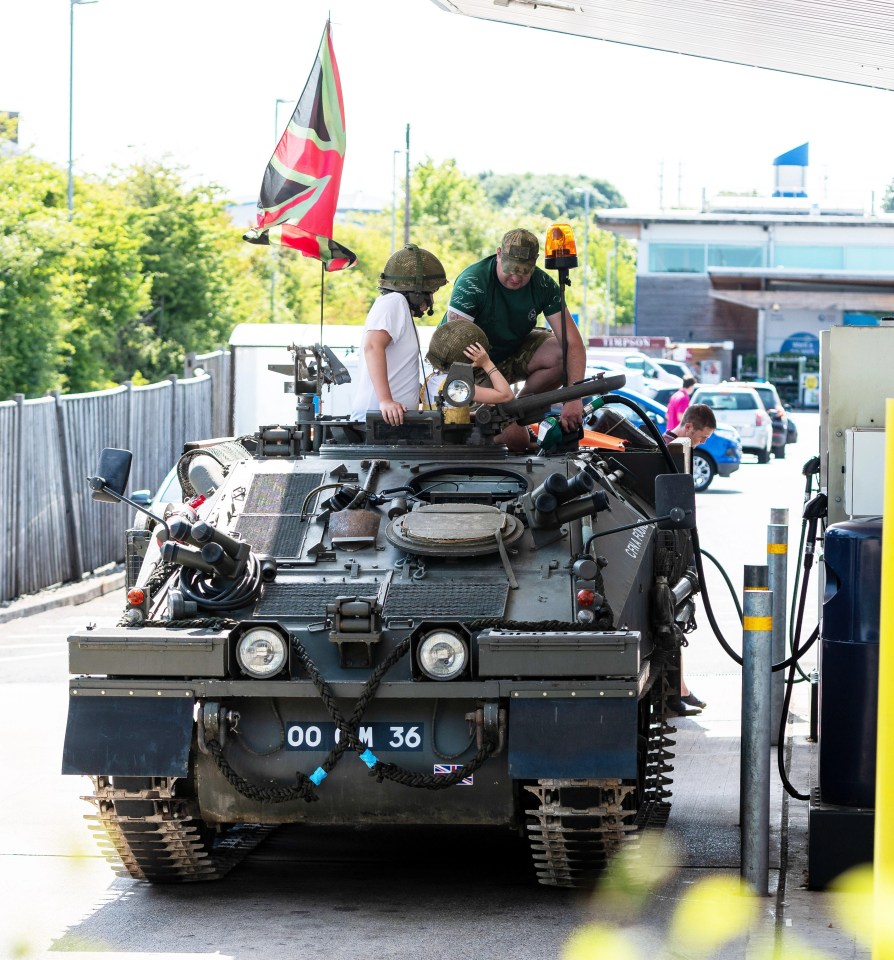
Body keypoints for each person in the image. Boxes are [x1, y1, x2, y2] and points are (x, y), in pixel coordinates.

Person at [442, 228, 586, 450]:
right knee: (517, 442)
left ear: (535, 262)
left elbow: (573, 344)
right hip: (471, 363)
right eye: (510, 269)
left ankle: (517, 409)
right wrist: (462, 393)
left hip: (510, 353)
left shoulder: (544, 285)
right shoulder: (472, 282)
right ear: (499, 254)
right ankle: (503, 418)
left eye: (524, 271)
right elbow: (456, 349)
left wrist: (574, 398)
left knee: (559, 352)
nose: (516, 277)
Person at [350, 244, 447, 426]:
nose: (431, 300)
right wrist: (385, 401)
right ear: (417, 292)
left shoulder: (398, 307)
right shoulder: (394, 302)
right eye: (431, 292)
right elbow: (372, 346)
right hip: (379, 421)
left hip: (389, 420)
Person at [662, 402, 717, 716]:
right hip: (671, 552)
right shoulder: (670, 449)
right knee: (673, 622)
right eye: (704, 436)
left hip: (679, 548)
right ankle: (675, 692)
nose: (704, 443)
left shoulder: (679, 450)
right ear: (691, 427)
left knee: (678, 621)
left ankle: (680, 689)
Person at [423, 319, 514, 410]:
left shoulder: (433, 379)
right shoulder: (456, 385)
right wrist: (487, 363)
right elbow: (507, 396)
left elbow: (447, 414)